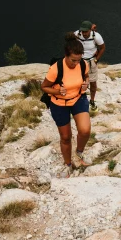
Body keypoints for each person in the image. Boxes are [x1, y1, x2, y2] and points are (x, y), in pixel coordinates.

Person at [41, 32, 92, 178]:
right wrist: (56, 91)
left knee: (85, 130)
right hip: (59, 103)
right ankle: (68, 164)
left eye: (78, 60)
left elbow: (86, 76)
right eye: (73, 60)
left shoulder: (83, 64)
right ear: (66, 55)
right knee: (65, 137)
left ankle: (79, 153)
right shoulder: (56, 68)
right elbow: (44, 87)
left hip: (78, 98)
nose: (76, 63)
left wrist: (85, 84)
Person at [74, 20, 105, 112]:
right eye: (82, 31)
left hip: (91, 61)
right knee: (77, 82)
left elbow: (102, 47)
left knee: (92, 82)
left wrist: (96, 59)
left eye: (86, 31)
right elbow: (69, 40)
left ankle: (92, 101)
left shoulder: (96, 36)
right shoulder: (77, 34)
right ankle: (77, 101)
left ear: (90, 31)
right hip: (79, 61)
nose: (84, 33)